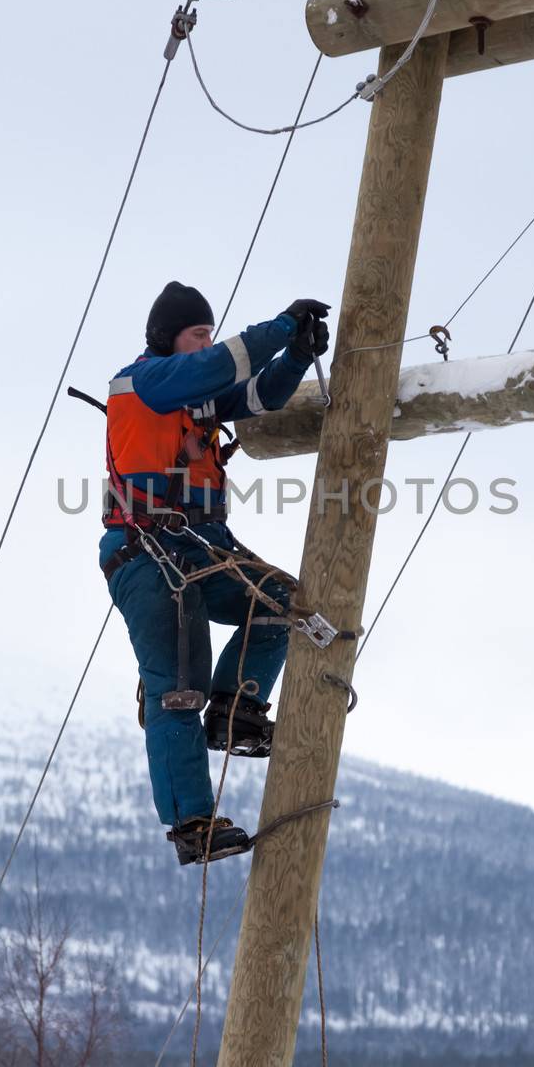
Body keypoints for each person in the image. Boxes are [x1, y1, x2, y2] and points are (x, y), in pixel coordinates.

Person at [100, 281, 330, 865]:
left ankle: (236, 712)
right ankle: (192, 825)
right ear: (167, 339)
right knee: (179, 689)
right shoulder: (145, 383)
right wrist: (281, 326)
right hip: (147, 554)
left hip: (202, 547)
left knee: (281, 605)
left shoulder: (194, 396)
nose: (206, 341)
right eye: (197, 333)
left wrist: (299, 354)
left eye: (207, 331)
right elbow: (221, 365)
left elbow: (259, 396)